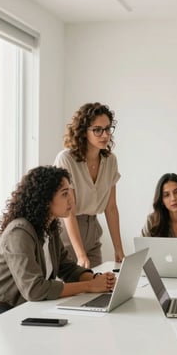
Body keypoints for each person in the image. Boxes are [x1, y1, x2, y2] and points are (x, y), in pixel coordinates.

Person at [0, 166, 116, 318]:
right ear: (44, 199)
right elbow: (35, 289)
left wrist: (98, 280)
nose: (71, 199)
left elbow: (67, 268)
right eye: (65, 194)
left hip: (27, 309)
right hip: (1, 314)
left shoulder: (49, 229)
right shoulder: (18, 232)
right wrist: (89, 286)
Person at [54, 102, 125, 268]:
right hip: (68, 230)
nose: (105, 135)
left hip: (92, 230)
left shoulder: (110, 160)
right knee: (75, 287)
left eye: (108, 128)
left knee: (97, 285)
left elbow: (111, 207)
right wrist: (80, 254)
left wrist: (119, 249)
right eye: (97, 130)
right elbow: (69, 210)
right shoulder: (66, 159)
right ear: (83, 132)